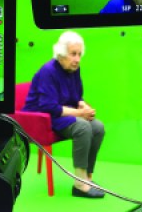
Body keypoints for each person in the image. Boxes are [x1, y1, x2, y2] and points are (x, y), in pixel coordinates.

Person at [22, 31, 106, 199]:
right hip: (40, 118)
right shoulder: (48, 71)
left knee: (98, 126)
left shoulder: (73, 68)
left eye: (79, 54)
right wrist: (80, 113)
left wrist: (83, 106)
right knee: (82, 127)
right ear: (61, 54)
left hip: (59, 114)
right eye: (73, 54)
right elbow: (48, 106)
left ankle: (87, 177)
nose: (77, 59)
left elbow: (76, 97)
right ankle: (79, 184)